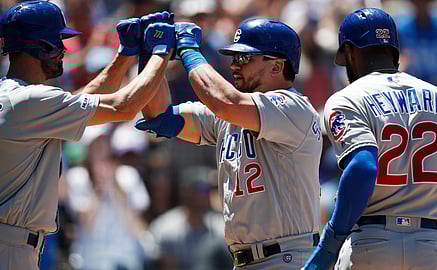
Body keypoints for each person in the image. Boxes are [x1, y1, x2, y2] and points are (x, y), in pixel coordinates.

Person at [0, 1, 177, 269]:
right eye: (58, 41)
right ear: (42, 46)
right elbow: (123, 106)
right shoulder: (30, 100)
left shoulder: (18, 98)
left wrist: (125, 54)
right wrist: (160, 51)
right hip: (10, 247)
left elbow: (86, 99)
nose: (63, 51)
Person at [135, 17, 324, 269]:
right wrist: (152, 55)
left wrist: (189, 51)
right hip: (244, 260)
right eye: (234, 57)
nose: (234, 64)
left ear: (277, 67)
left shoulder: (294, 108)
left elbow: (225, 101)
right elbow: (159, 115)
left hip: (288, 257)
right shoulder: (229, 114)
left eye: (244, 58)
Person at [303, 7, 437, 270]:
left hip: (372, 242)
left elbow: (363, 167)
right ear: (394, 51)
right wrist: (419, 203)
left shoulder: (347, 98)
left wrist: (331, 240)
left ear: (350, 52)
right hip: (429, 245)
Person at [148, 165, 230, 269]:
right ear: (187, 192)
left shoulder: (219, 226)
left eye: (209, 189)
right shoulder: (165, 228)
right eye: (202, 189)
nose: (207, 194)